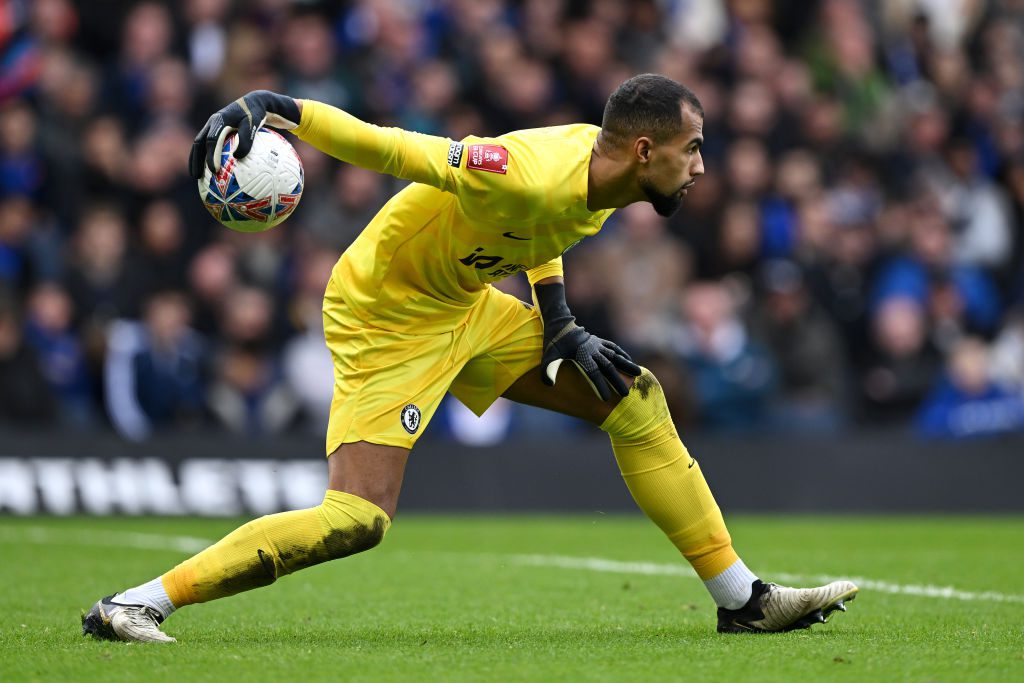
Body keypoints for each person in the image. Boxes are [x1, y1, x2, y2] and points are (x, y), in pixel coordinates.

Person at [82, 74, 857, 642]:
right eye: (692, 150)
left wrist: (559, 321)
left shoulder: (604, 179)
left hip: (466, 304)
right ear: (646, 148)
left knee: (634, 395)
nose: (700, 166)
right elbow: (392, 150)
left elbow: (543, 232)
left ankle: (742, 598)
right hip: (387, 317)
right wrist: (278, 109)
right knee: (357, 518)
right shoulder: (521, 168)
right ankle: (138, 601)